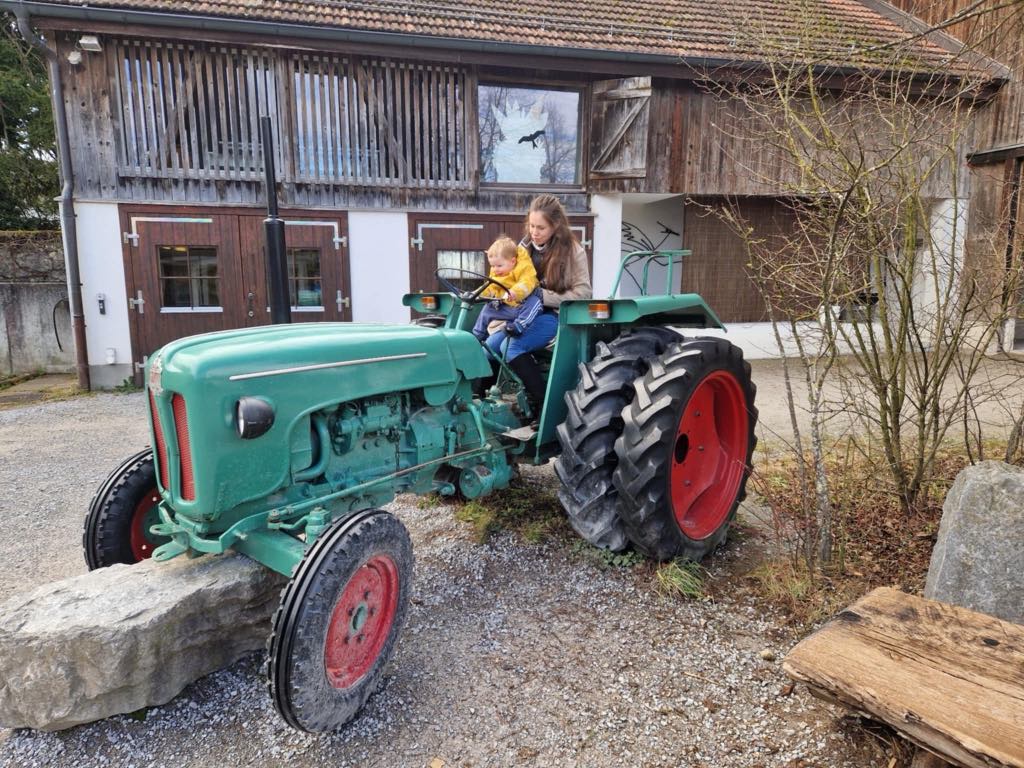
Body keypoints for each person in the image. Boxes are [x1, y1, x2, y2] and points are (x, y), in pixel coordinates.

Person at [484, 194, 592, 410]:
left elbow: (584, 294)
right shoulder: (522, 249)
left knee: (511, 347)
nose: (534, 232)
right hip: (523, 314)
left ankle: (543, 406)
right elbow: (508, 277)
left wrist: (543, 296)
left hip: (554, 315)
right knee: (489, 347)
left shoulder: (573, 252)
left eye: (541, 228)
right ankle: (485, 404)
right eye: (531, 226)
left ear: (556, 225)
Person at [471, 236, 544, 343]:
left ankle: (519, 325)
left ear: (513, 261)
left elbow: (527, 282)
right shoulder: (497, 274)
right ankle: (477, 335)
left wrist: (515, 292)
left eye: (499, 265)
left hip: (522, 306)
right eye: (492, 266)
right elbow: (489, 288)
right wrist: (476, 294)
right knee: (487, 309)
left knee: (535, 302)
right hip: (506, 308)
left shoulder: (523, 268)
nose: (495, 269)